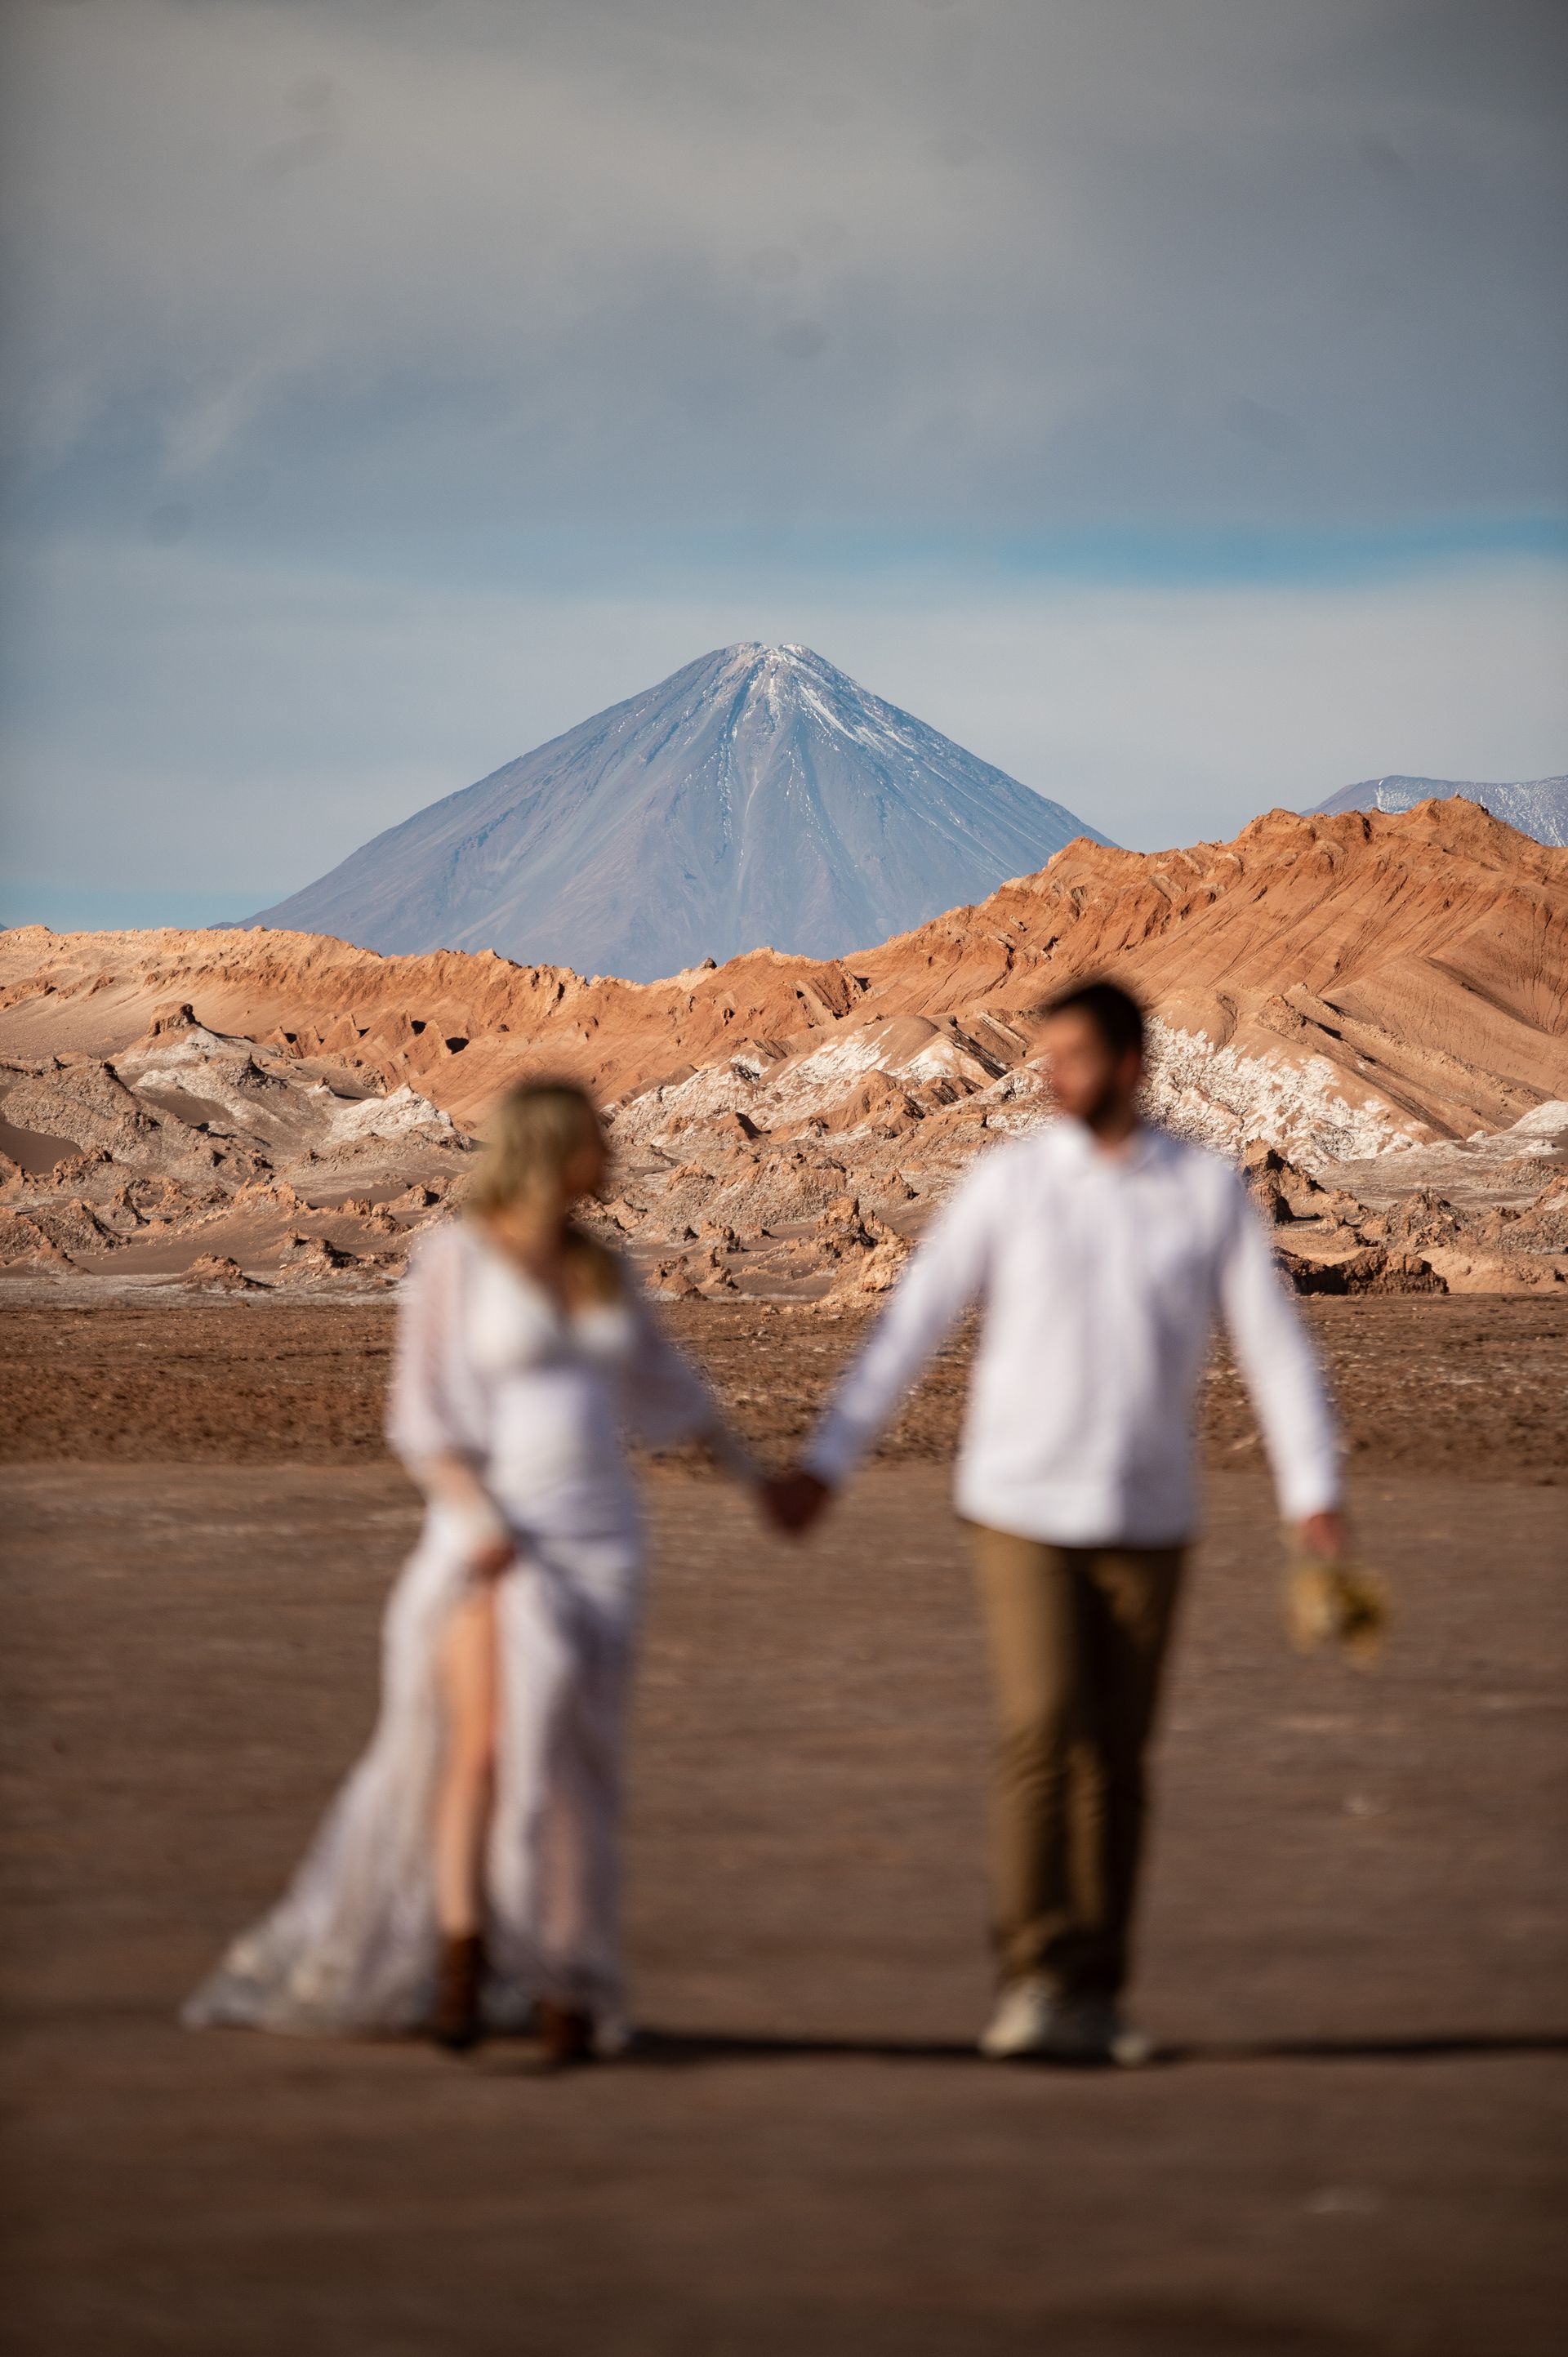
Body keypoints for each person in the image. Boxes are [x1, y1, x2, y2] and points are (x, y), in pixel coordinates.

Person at [767, 978, 1344, 2065]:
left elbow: (1271, 1343)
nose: (1048, 1075)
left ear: (1131, 1065)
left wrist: (1312, 1486)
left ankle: (1096, 1985)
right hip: (1022, 1505)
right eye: (1044, 1056)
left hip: (1148, 1511)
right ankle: (1033, 1973)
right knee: (1043, 1730)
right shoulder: (1010, 1182)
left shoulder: (1202, 1193)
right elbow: (916, 1321)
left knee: (1119, 1756)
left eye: (1070, 1055)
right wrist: (828, 1461)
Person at [185, 1078, 757, 2061]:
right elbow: (422, 1413)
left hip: (601, 1542)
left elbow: (673, 1394)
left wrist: (764, 1482)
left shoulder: (598, 1268)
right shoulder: (454, 1262)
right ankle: (462, 1963)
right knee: (483, 1752)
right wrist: (477, 1516)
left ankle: (568, 1983)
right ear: (550, 1149)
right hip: (496, 1539)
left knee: (575, 1764)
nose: (610, 1151)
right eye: (594, 1137)